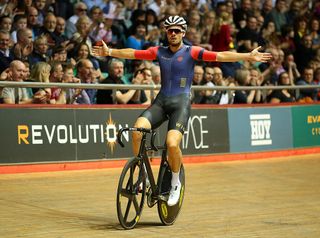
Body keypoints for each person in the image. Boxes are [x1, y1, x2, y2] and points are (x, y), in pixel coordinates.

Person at [92, 15, 272, 206]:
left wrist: (247, 56)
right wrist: (109, 51)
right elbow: (133, 53)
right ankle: (143, 174)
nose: (173, 34)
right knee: (137, 131)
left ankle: (175, 183)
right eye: (170, 30)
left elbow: (220, 55)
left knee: (171, 143)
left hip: (181, 103)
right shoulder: (158, 51)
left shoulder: (191, 51)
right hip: (161, 101)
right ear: (166, 33)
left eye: (177, 31)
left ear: (183, 33)